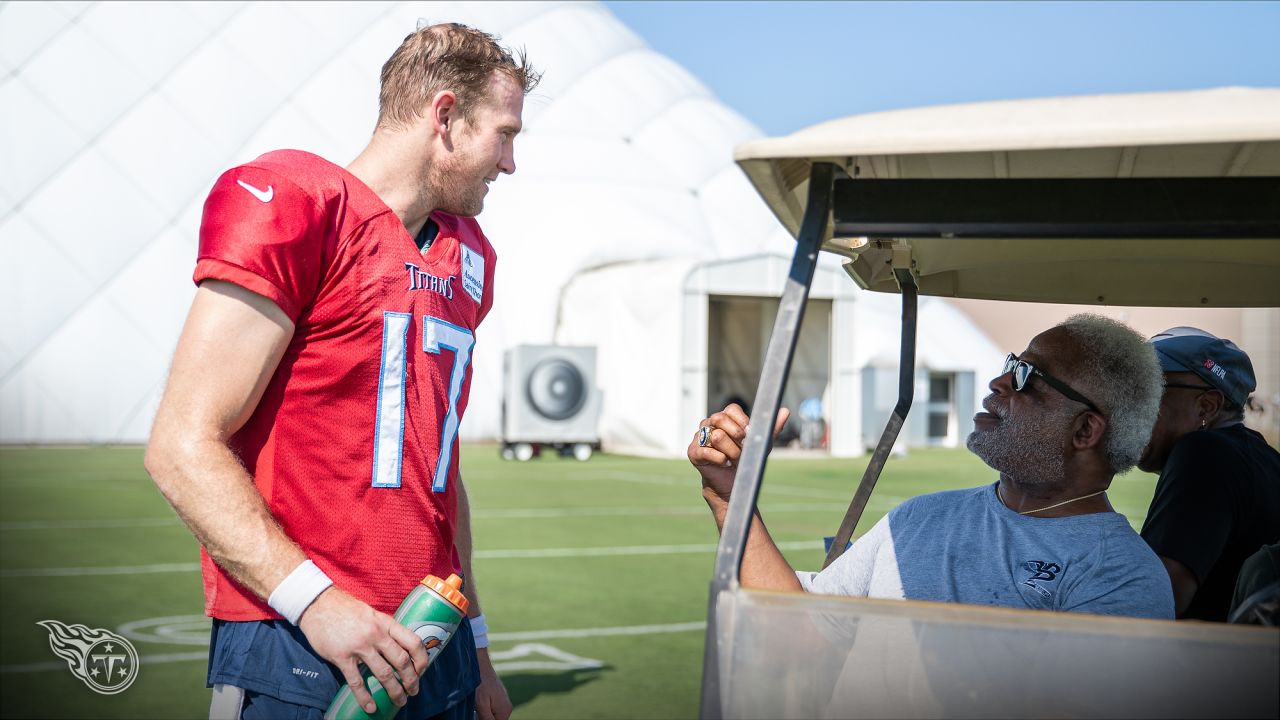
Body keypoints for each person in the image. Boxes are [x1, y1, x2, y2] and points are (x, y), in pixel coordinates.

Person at [144, 23, 539, 720]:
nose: (509, 163)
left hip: (432, 644)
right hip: (301, 643)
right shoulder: (299, 203)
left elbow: (438, 478)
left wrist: (476, 650)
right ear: (444, 116)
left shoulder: (470, 258)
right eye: (504, 134)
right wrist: (317, 603)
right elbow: (181, 445)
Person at [689, 314, 1174, 619]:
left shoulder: (1122, 576)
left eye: (1027, 375)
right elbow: (795, 633)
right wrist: (731, 498)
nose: (999, 381)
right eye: (1009, 362)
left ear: (1085, 431)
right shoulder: (916, 519)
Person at [1137, 327, 1280, 622]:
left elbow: (1156, 600)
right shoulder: (1265, 458)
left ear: (1207, 405)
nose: (1130, 406)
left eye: (1148, 390)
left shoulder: (1203, 453)